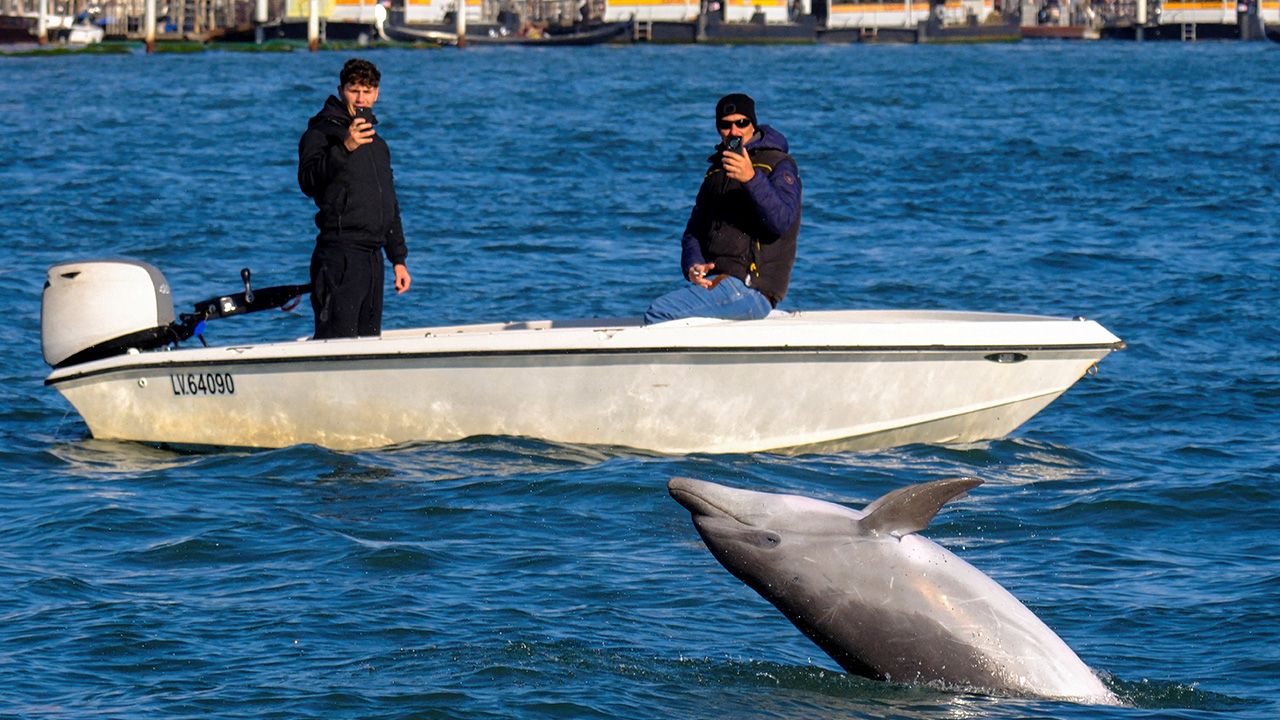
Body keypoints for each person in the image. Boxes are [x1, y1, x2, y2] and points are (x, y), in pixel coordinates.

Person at [643, 93, 801, 325]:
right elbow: (694, 231)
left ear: (752, 124)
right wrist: (693, 265)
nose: (734, 131)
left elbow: (782, 221)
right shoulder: (717, 170)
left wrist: (750, 178)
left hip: (753, 288)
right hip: (719, 282)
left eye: (741, 123)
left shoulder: (778, 164)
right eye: (725, 125)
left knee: (660, 312)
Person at [298, 58, 412, 339]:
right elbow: (308, 182)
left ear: (377, 94)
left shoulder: (378, 144)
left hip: (373, 258)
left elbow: (388, 203)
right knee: (337, 341)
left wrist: (397, 259)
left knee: (369, 341)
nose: (361, 98)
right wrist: (344, 148)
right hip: (340, 254)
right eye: (354, 90)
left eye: (367, 90)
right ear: (341, 90)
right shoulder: (320, 132)